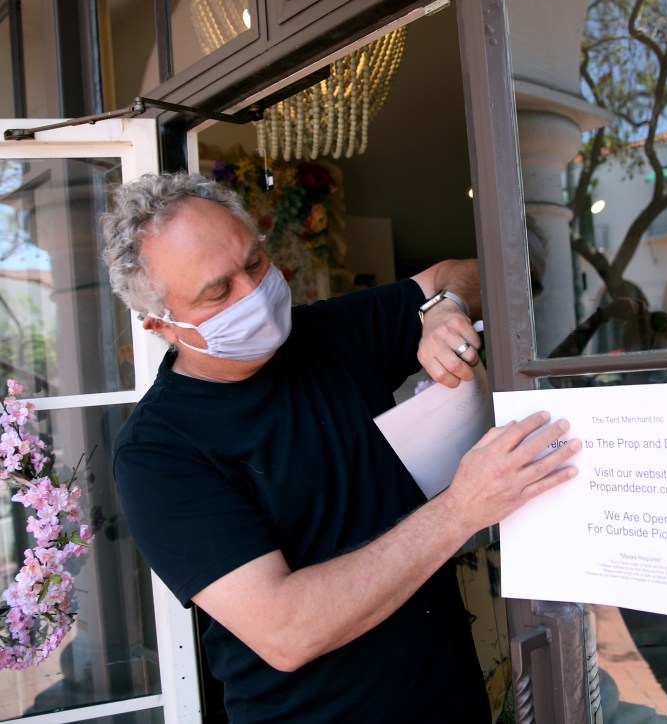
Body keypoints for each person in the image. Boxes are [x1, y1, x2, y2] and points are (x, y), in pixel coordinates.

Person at [100, 172, 581, 723]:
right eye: (218, 292)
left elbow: (460, 272)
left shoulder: (326, 334)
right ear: (160, 324)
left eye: (254, 262)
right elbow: (286, 630)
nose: (252, 292)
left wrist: (443, 306)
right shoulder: (158, 452)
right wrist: (460, 510)